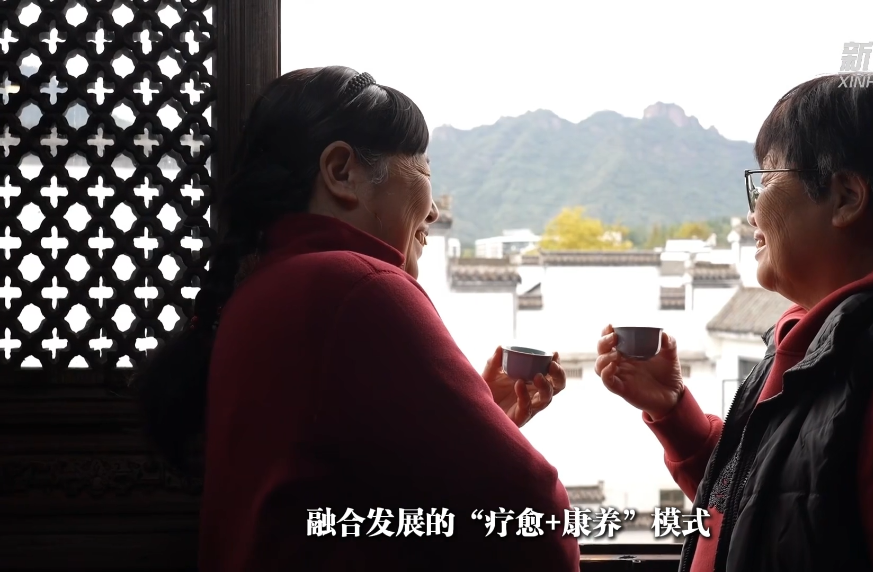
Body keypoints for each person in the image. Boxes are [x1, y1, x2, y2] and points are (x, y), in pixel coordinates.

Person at [133, 66, 579, 571]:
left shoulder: (263, 290)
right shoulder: (359, 286)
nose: (434, 213)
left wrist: (480, 422)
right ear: (342, 171)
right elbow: (533, 513)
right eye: (424, 170)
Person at [595, 73, 873, 572]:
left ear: (846, 197)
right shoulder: (817, 336)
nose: (752, 214)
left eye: (767, 180)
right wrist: (671, 411)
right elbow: (776, 503)